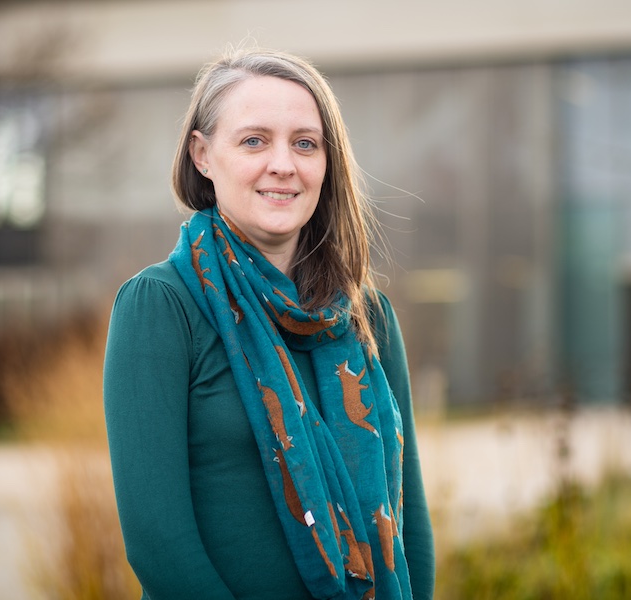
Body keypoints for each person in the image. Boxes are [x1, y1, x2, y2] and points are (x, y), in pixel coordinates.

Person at [103, 48, 435, 600]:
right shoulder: (160, 306)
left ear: (327, 164)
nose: (283, 163)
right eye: (254, 140)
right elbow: (159, 545)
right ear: (203, 155)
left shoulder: (367, 316)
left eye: (305, 143)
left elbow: (411, 526)